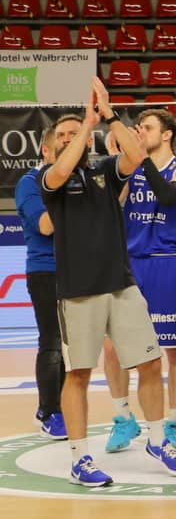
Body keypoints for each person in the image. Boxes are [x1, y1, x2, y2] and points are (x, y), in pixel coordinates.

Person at [41, 77, 176, 486]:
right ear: (51, 146)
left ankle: (157, 440)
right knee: (78, 374)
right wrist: (86, 126)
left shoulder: (105, 170)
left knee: (150, 362)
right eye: (64, 134)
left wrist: (108, 114)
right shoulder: (50, 178)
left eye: (76, 132)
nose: (71, 137)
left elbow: (137, 154)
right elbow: (62, 169)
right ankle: (80, 459)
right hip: (78, 292)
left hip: (122, 285)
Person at [107, 108, 176, 453]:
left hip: (166, 263)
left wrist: (139, 157)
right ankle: (123, 418)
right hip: (129, 264)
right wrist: (118, 162)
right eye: (138, 128)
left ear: (167, 134)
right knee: (113, 347)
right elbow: (108, 205)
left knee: (174, 350)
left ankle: (173, 422)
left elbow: (168, 195)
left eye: (147, 128)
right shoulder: (131, 170)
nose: (140, 132)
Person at [15, 125, 66, 440]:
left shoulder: (77, 179)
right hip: (45, 271)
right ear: (46, 151)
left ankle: (59, 405)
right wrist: (68, 193)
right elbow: (45, 226)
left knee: (72, 347)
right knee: (52, 343)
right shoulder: (29, 183)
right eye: (61, 144)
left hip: (77, 270)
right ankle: (49, 412)